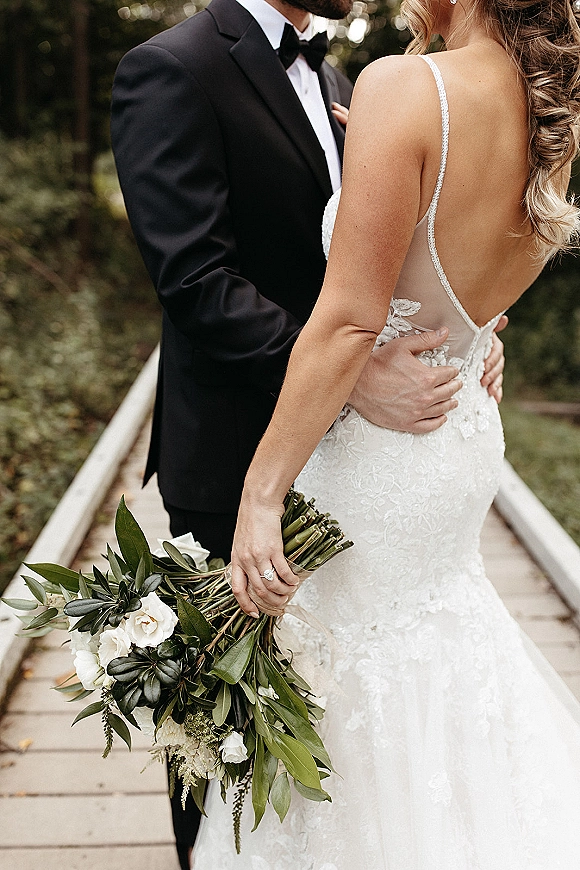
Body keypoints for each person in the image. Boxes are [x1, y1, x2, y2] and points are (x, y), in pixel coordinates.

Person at [111, 0, 504, 863]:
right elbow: (196, 277)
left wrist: (466, 331)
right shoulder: (171, 69)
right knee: (221, 735)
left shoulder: (341, 80)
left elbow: (386, 254)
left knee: (331, 735)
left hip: (355, 476)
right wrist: (351, 373)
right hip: (234, 457)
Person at [190, 0, 580, 867]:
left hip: (379, 457)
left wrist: (262, 493)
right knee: (435, 651)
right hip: (456, 433)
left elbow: (348, 322)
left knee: (358, 679)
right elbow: (473, 280)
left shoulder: (405, 87)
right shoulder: (547, 104)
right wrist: (479, 334)